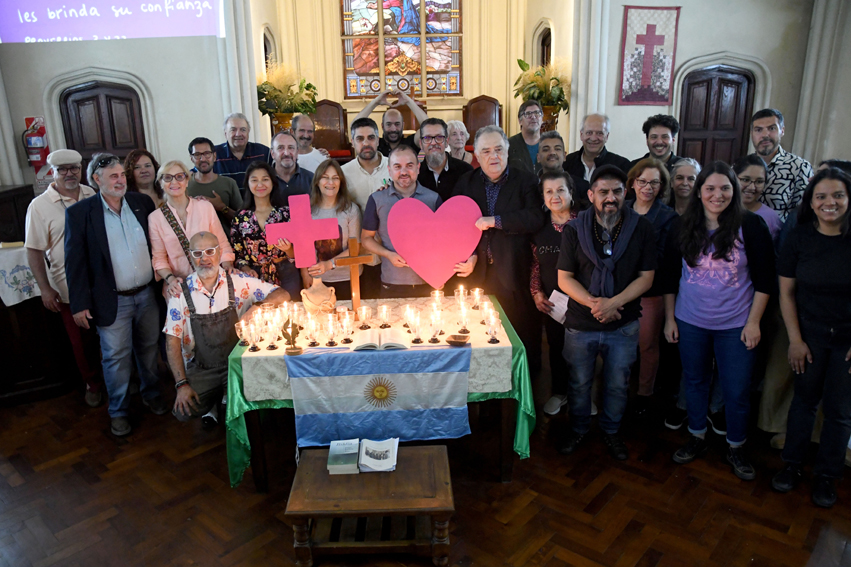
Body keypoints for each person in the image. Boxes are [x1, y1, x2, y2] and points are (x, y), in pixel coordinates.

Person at [662, 161, 776, 480]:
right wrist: (670, 319)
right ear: (699, 192)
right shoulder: (681, 225)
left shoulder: (751, 226)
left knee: (736, 389)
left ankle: (736, 445)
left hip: (737, 324)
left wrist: (753, 323)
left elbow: (766, 280)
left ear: (734, 191)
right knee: (695, 381)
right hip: (690, 320)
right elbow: (671, 277)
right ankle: (696, 436)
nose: (717, 194)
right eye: (710, 188)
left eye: (725, 188)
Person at [556, 165, 657, 461]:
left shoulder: (642, 228)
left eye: (616, 191)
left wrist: (614, 304)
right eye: (603, 192)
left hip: (623, 324)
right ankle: (578, 429)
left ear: (625, 193)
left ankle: (612, 432)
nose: (610, 198)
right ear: (590, 195)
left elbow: (646, 277)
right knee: (578, 382)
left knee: (617, 383)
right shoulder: (574, 229)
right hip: (580, 323)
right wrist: (595, 304)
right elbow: (564, 278)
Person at [65, 153, 167, 437]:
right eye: (113, 176)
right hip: (112, 300)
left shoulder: (141, 203)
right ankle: (119, 411)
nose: (120, 180)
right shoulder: (80, 213)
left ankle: (151, 394)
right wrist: (80, 304)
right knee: (115, 358)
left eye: (122, 174)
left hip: (147, 295)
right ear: (97, 180)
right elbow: (75, 263)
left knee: (148, 349)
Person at [771, 168, 851, 508]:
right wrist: (795, 339)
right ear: (811, 202)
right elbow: (786, 292)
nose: (829, 202)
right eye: (821, 196)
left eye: (837, 196)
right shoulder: (799, 237)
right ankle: (792, 466)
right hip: (809, 335)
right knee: (803, 402)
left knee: (840, 411)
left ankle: (827, 476)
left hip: (847, 342)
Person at [165, 232, 290, 426]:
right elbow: (171, 342)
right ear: (190, 256)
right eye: (197, 253)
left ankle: (228, 396)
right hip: (203, 368)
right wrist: (181, 385)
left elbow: (282, 294)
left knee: (261, 407)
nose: (204, 258)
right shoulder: (180, 292)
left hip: (238, 364)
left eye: (209, 251)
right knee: (184, 411)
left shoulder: (238, 282)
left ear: (219, 252)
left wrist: (258, 306)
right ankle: (216, 398)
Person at [454, 125, 544, 370]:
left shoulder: (526, 180)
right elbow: (457, 224)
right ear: (477, 156)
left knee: (520, 335)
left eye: (498, 150)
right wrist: (470, 254)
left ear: (507, 151)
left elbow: (535, 217)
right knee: (481, 338)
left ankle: (524, 392)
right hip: (478, 274)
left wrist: (496, 221)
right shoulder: (466, 183)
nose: (493, 156)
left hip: (515, 272)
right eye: (486, 151)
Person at [25, 149, 103, 407]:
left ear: (81, 170)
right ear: (53, 172)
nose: (69, 174)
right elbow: (34, 250)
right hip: (69, 288)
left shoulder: (93, 193)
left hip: (102, 283)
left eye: (74, 168)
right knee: (82, 342)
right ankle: (92, 383)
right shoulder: (39, 206)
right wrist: (45, 288)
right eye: (63, 170)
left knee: (110, 335)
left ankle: (116, 379)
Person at [626, 159, 677, 415]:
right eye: (642, 181)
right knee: (619, 344)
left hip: (651, 291)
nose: (648, 187)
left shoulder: (668, 217)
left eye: (654, 182)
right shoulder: (620, 208)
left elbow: (665, 262)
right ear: (633, 183)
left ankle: (644, 394)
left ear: (661, 187)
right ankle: (618, 389)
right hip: (618, 290)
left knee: (647, 345)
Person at [361, 145, 446, 298]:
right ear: (389, 170)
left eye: (409, 166)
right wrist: (388, 254)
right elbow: (366, 239)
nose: (404, 172)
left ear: (418, 168)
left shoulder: (433, 199)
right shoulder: (377, 199)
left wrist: (442, 273)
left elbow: (444, 241)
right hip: (392, 282)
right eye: (397, 167)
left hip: (429, 282)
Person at [148, 160, 236, 298]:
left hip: (212, 282)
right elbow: (159, 259)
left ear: (187, 180)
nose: (174, 182)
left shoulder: (205, 207)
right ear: (160, 183)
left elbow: (222, 244)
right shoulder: (155, 218)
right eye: (167, 178)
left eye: (179, 176)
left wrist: (227, 265)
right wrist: (171, 280)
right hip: (179, 287)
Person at [532, 171, 577, 416]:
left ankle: (581, 396)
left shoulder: (584, 223)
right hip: (554, 303)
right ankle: (560, 393)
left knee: (583, 352)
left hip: (584, 302)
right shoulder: (539, 228)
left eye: (561, 190)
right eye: (549, 191)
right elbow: (535, 264)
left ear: (571, 192)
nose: (555, 196)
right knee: (557, 348)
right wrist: (537, 293)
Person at [230, 161, 299, 299]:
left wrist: (288, 249)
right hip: (254, 276)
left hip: (286, 273)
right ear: (248, 184)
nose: (260, 184)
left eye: (265, 179)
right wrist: (246, 269)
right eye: (254, 180)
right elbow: (237, 254)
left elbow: (300, 252)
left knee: (290, 315)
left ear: (273, 182)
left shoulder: (286, 214)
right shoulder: (240, 218)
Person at [341, 117, 390, 299]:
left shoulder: (393, 167)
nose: (366, 143)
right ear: (353, 142)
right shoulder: (344, 173)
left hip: (391, 250)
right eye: (360, 139)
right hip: (360, 253)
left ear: (378, 140)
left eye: (371, 137)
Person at [302, 159, 362, 300]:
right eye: (325, 178)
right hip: (317, 280)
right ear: (317, 181)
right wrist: (305, 274)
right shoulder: (307, 211)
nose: (330, 183)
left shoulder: (351, 210)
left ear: (341, 183)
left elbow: (356, 248)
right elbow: (302, 248)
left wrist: (330, 264)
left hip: (348, 278)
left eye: (335, 178)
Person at [750, 108, 814, 222]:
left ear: (782, 131)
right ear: (752, 134)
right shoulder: (743, 166)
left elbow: (803, 213)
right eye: (758, 130)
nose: (765, 135)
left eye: (772, 128)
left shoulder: (799, 167)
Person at [186, 136, 243, 233]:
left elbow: (243, 220)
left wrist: (223, 208)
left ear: (214, 156)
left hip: (226, 244)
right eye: (197, 154)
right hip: (193, 245)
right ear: (191, 159)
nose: (203, 158)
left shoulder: (229, 183)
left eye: (207, 154)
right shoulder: (184, 185)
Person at [353, 89, 427, 156]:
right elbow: (355, 127)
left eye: (397, 124)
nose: (393, 129)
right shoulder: (376, 144)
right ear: (382, 126)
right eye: (388, 124)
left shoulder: (410, 143)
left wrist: (408, 101)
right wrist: (375, 102)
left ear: (403, 125)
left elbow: (428, 128)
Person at [416, 117, 473, 202]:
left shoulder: (466, 171)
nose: (434, 143)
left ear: (447, 141)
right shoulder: (415, 173)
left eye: (439, 137)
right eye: (427, 138)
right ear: (421, 144)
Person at [563, 113, 631, 182]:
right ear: (581, 135)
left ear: (607, 136)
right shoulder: (567, 162)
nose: (593, 138)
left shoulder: (622, 165)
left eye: (599, 133)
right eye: (589, 133)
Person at [214, 112, 271, 191]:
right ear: (225, 133)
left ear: (248, 132)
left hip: (257, 202)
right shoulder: (214, 154)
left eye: (243, 130)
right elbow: (197, 174)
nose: (238, 134)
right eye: (233, 130)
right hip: (224, 203)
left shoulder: (263, 152)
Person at [733, 154, 782, 246]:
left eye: (759, 182)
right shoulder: (719, 210)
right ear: (733, 178)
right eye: (745, 180)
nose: (752, 187)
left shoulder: (771, 217)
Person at [272, 131, 314, 206]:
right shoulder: (263, 181)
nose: (286, 153)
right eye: (280, 148)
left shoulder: (312, 179)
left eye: (291, 148)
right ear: (272, 153)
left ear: (297, 152)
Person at [507, 100, 543, 174]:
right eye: (528, 113)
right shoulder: (509, 144)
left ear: (542, 118)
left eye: (537, 113)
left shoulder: (550, 143)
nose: (533, 117)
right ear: (520, 121)